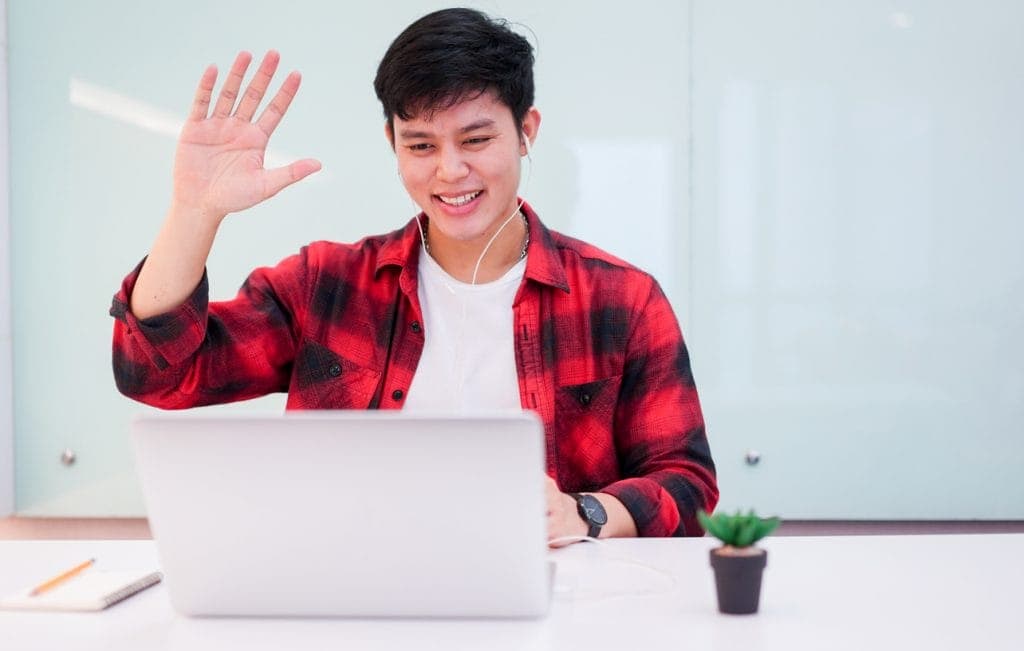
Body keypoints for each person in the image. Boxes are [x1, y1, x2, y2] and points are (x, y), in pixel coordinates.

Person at [110, 8, 717, 543]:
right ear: (391, 142)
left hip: (551, 605)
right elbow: (160, 375)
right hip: (353, 597)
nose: (450, 172)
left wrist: (583, 512)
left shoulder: (621, 299)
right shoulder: (328, 284)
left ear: (526, 132)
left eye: (476, 139)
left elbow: (687, 485)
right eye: (421, 146)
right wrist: (195, 213)